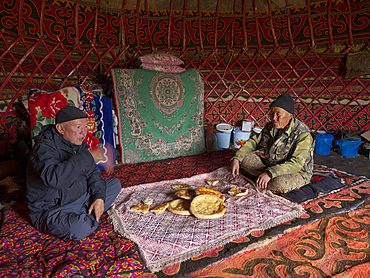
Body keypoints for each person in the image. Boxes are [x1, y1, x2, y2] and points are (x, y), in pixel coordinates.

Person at [26, 106, 121, 240]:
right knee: (79, 228)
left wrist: (99, 197)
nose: (83, 132)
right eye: (78, 127)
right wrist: (88, 156)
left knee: (115, 184)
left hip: (78, 197)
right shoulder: (44, 148)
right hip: (52, 210)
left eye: (85, 127)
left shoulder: (77, 143)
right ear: (60, 129)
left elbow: (93, 173)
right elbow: (55, 179)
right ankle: (87, 216)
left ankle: (87, 212)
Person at [231, 94, 314, 193]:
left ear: (290, 116)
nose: (274, 118)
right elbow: (254, 142)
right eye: (272, 114)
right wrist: (237, 158)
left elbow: (296, 163)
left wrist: (270, 173)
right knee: (242, 158)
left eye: (278, 114)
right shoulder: (270, 127)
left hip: (296, 172)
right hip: (270, 164)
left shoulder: (302, 134)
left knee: (278, 183)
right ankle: (264, 179)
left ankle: (265, 179)